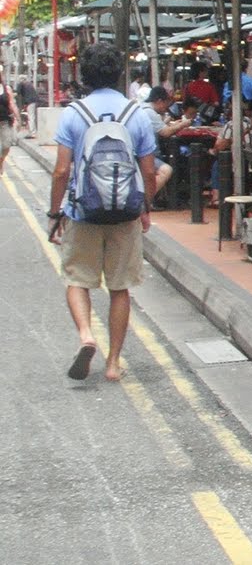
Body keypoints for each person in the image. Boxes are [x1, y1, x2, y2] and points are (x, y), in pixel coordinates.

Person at [47, 42, 159, 383]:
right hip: (124, 213)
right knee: (120, 288)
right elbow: (149, 172)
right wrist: (144, 208)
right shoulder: (136, 113)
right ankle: (113, 363)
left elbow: (61, 171)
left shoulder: (73, 114)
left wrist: (56, 213)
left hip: (83, 213)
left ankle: (86, 335)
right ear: (120, 73)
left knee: (77, 279)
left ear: (84, 74)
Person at [141, 87, 182, 197]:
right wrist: (183, 124)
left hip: (141, 153)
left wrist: (166, 122)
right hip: (142, 156)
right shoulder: (149, 111)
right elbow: (166, 132)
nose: (166, 108)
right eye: (165, 103)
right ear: (159, 101)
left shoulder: (142, 107)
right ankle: (145, 200)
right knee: (166, 170)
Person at [0, 66, 16, 174]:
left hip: (5, 122)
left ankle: (1, 161)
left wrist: (17, 117)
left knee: (6, 145)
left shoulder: (6, 88)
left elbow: (11, 104)